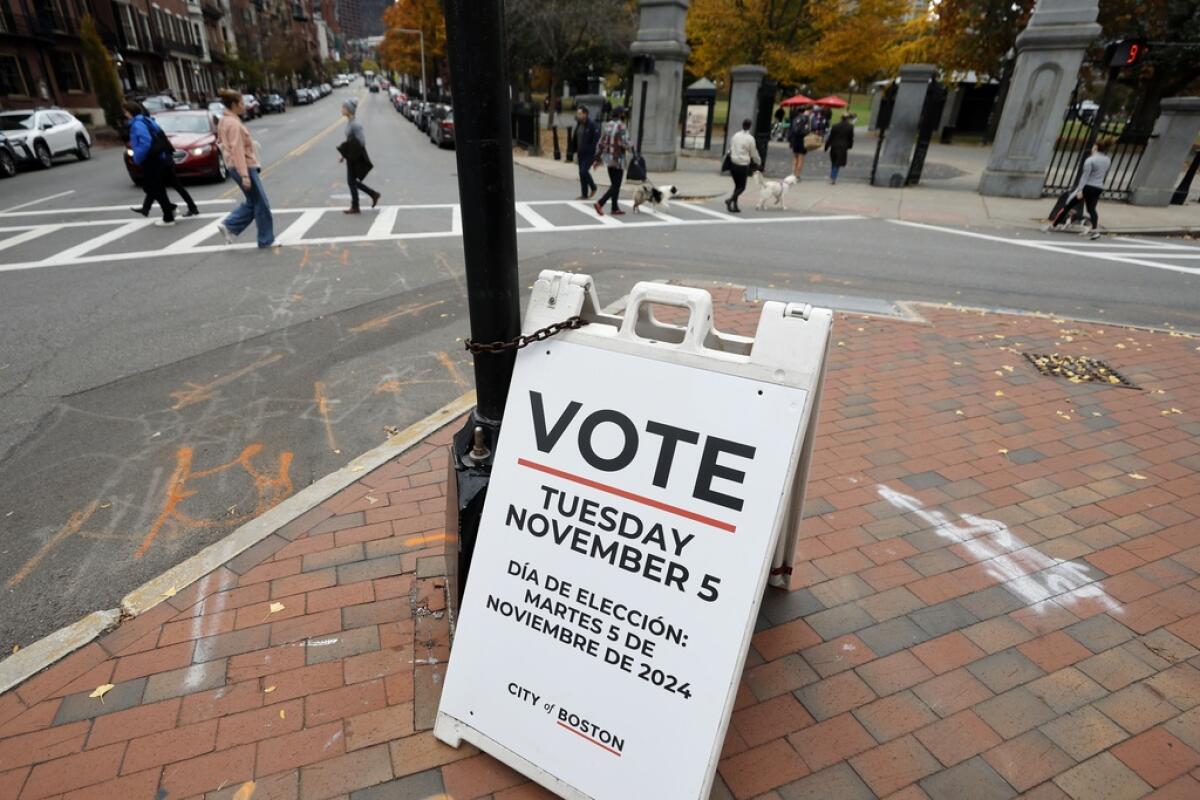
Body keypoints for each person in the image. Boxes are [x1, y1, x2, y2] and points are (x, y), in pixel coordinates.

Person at [215, 88, 276, 248]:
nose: (244, 105)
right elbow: (237, 149)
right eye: (242, 103)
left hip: (234, 165)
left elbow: (223, 143)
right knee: (262, 203)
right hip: (244, 166)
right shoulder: (233, 123)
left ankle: (230, 225)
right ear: (234, 104)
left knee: (253, 201)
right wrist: (245, 175)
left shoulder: (224, 120)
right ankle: (265, 240)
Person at [124, 100, 176, 226]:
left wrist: (138, 157)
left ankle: (169, 216)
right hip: (158, 158)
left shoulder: (138, 124)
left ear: (130, 112)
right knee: (157, 188)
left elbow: (145, 142)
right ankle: (169, 211)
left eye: (125, 111)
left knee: (151, 187)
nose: (124, 114)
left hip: (150, 159)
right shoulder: (146, 120)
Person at [1060, 140, 1112, 239]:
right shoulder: (1107, 160)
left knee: (1069, 202)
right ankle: (1095, 230)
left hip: (1087, 186)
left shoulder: (1090, 160)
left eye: (1093, 147)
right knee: (1091, 209)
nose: (1092, 148)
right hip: (1098, 187)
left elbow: (1085, 177)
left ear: (1096, 147)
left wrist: (1080, 190)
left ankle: (1068, 219)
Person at [337, 98, 380, 214]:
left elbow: (361, 141)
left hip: (355, 157)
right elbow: (349, 140)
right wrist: (344, 155)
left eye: (343, 107)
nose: (341, 109)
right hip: (350, 156)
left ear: (349, 110)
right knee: (352, 182)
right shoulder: (350, 122)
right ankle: (370, 196)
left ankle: (358, 204)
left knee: (351, 181)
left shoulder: (355, 124)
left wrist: (350, 154)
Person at [593, 106, 630, 216]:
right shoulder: (621, 126)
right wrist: (631, 147)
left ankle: (615, 207)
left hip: (608, 159)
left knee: (614, 184)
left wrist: (598, 158)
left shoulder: (607, 125)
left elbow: (601, 143)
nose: (624, 115)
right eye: (623, 113)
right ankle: (600, 203)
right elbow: (625, 143)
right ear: (620, 114)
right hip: (618, 159)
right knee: (616, 185)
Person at [726, 117, 761, 213]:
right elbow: (753, 152)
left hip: (733, 163)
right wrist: (758, 161)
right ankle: (730, 200)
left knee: (737, 186)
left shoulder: (735, 135)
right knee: (742, 187)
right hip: (742, 164)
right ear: (750, 126)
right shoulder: (750, 139)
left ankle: (735, 205)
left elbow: (731, 147)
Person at [573, 106, 600, 200]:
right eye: (578, 113)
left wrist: (593, 152)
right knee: (581, 173)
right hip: (580, 152)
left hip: (589, 153)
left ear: (585, 114)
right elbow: (575, 138)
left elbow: (596, 139)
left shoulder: (592, 125)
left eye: (580, 113)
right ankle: (584, 194)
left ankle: (593, 187)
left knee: (583, 171)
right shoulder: (579, 124)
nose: (578, 115)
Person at [824, 113, 854, 185]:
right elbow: (851, 138)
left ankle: (832, 176)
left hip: (834, 146)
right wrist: (850, 146)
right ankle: (833, 177)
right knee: (837, 163)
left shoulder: (835, 126)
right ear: (847, 119)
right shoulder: (850, 127)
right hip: (843, 146)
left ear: (841, 118)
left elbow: (831, 137)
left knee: (834, 161)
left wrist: (826, 146)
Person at [787, 108, 810, 179]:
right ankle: (798, 175)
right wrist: (807, 116)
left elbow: (792, 130)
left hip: (795, 140)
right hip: (803, 140)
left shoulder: (795, 119)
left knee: (795, 157)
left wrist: (790, 140)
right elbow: (808, 130)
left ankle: (793, 173)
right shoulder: (806, 119)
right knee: (801, 158)